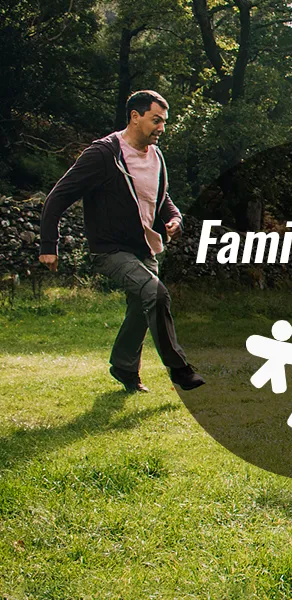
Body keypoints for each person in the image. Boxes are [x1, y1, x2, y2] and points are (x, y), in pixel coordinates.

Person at [38, 90, 205, 393]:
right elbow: (58, 196)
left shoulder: (155, 156)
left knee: (142, 307)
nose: (161, 128)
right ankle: (180, 369)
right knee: (155, 292)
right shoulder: (103, 154)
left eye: (164, 122)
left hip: (145, 247)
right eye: (156, 120)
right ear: (135, 116)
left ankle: (124, 368)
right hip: (110, 249)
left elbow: (162, 196)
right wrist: (48, 245)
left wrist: (175, 218)